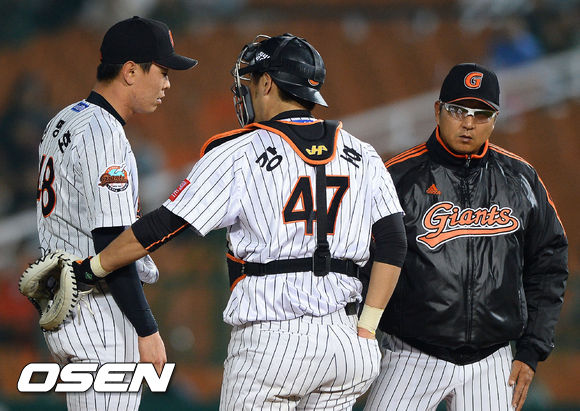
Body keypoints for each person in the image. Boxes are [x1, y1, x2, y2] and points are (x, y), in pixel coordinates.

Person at [70, 33, 408, 409]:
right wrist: (367, 328)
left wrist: (91, 268)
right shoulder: (363, 152)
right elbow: (394, 243)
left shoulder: (239, 151)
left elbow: (162, 227)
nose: (247, 89)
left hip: (274, 343)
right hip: (349, 345)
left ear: (268, 83)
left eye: (252, 80)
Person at [363, 63, 568, 411]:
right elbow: (360, 260)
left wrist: (532, 348)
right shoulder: (397, 177)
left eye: (481, 114)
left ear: (495, 119)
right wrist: (363, 330)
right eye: (458, 110)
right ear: (438, 110)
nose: (469, 123)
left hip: (492, 361)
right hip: (409, 354)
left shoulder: (520, 178)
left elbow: (549, 263)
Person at [35, 16, 197, 410]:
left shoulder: (64, 118)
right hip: (100, 311)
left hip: (68, 303)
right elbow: (112, 242)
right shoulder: (104, 134)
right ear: (130, 71)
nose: (167, 83)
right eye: (162, 72)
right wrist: (147, 329)